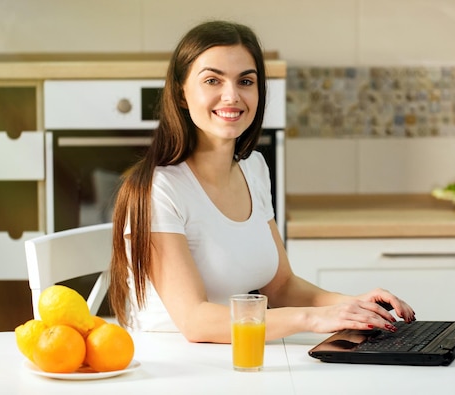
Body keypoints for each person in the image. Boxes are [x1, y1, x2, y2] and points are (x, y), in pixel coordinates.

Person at [108, 20, 415, 343]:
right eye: (212, 80)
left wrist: (351, 304)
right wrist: (311, 318)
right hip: (175, 365)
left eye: (245, 81)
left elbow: (280, 286)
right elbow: (195, 320)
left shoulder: (253, 168)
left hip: (239, 352)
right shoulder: (159, 189)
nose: (232, 95)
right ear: (181, 93)